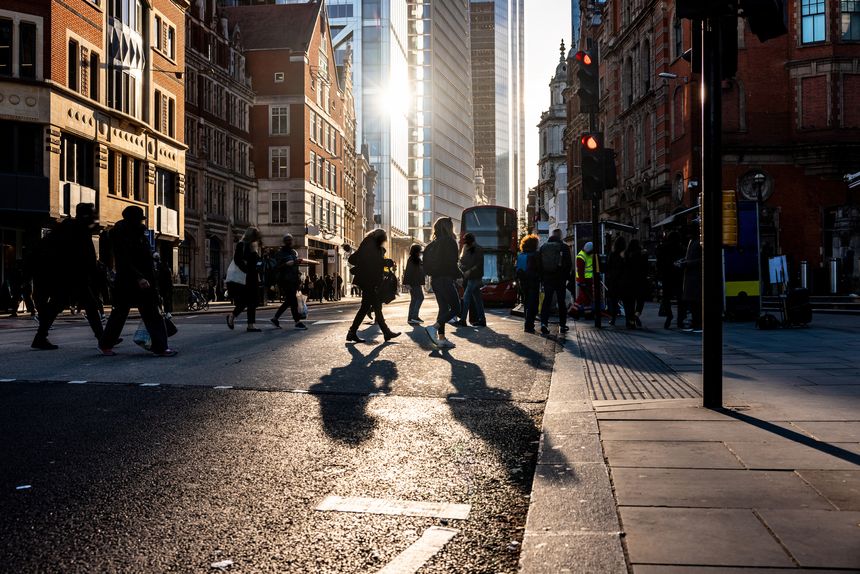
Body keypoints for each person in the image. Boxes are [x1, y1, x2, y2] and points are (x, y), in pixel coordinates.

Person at [99, 206, 175, 356]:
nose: (141, 222)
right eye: (138, 219)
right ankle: (106, 344)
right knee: (123, 314)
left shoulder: (139, 232)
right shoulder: (120, 235)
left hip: (143, 279)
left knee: (150, 313)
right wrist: (139, 277)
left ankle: (160, 346)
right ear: (131, 220)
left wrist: (152, 258)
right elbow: (123, 260)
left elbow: (144, 254)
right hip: (130, 280)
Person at [31, 203, 107, 350]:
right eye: (91, 215)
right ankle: (102, 338)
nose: (94, 218)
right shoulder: (78, 229)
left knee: (63, 306)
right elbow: (85, 256)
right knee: (84, 305)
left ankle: (40, 337)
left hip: (67, 276)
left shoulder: (70, 227)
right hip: (71, 276)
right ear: (85, 215)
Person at [346, 229, 400, 343]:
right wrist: (385, 262)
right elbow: (373, 263)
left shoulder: (368, 244)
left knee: (370, 307)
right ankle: (385, 332)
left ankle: (384, 332)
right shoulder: (370, 244)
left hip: (369, 281)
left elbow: (360, 259)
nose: (384, 241)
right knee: (372, 307)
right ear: (379, 237)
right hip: (370, 281)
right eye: (384, 238)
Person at [422, 217, 461, 348]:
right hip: (445, 279)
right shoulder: (450, 241)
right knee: (456, 308)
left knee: (443, 308)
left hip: (435, 280)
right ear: (449, 227)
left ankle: (442, 338)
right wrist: (460, 276)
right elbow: (452, 263)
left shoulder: (433, 243)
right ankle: (433, 328)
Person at [226, 227, 263, 332]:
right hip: (244, 277)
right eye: (256, 236)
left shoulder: (254, 246)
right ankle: (232, 316)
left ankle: (251, 325)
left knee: (253, 302)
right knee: (244, 301)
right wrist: (246, 270)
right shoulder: (241, 245)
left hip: (253, 277)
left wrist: (259, 264)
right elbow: (237, 260)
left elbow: (256, 260)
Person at [538, 228, 573, 334]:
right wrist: (566, 278)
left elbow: (539, 264)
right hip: (560, 279)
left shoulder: (543, 247)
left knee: (547, 301)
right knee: (561, 302)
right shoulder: (564, 247)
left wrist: (542, 278)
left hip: (548, 278)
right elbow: (569, 264)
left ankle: (544, 323)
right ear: (560, 236)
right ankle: (562, 325)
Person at [270, 234, 307, 330]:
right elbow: (276, 267)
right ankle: (297, 322)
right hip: (285, 280)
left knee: (289, 301)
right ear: (284, 241)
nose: (289, 242)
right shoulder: (280, 253)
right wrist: (286, 264)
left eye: (290, 240)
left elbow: (295, 267)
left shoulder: (293, 253)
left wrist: (298, 276)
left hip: (294, 280)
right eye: (287, 240)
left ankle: (275, 318)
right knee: (293, 301)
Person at [456, 232, 487, 327]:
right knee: (477, 299)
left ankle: (462, 320)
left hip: (475, 277)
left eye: (466, 241)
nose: (465, 243)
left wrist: (469, 270)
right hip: (471, 277)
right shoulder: (468, 248)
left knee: (466, 298)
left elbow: (479, 263)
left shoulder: (478, 249)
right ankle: (482, 320)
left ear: (470, 241)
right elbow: (464, 260)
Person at [656, 231, 685, 329]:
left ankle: (669, 316)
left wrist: (660, 274)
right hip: (678, 276)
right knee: (680, 299)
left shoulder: (662, 248)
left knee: (666, 298)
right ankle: (680, 320)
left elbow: (659, 263)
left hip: (666, 276)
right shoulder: (681, 248)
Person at [621, 239, 649, 329]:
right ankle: (636, 314)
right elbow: (646, 267)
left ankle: (630, 322)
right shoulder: (641, 254)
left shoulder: (625, 255)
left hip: (627, 281)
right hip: (639, 281)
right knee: (640, 300)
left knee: (630, 302)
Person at [516, 234, 541, 333]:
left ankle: (527, 322)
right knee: (533, 303)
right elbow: (539, 269)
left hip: (523, 283)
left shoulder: (521, 255)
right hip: (533, 282)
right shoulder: (535, 255)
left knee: (526, 302)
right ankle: (529, 325)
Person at [681, 228, 702, 332]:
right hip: (690, 276)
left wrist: (687, 263)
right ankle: (695, 322)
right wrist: (683, 261)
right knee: (693, 302)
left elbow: (702, 259)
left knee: (697, 302)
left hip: (697, 276)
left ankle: (699, 324)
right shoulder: (692, 242)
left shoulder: (699, 242)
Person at [606, 236, 627, 326]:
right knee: (626, 301)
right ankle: (629, 319)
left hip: (614, 280)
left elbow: (608, 266)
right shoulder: (625, 254)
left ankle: (613, 319)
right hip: (623, 280)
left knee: (614, 302)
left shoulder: (612, 253)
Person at [403, 244, 426, 325]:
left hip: (414, 283)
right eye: (419, 250)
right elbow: (408, 271)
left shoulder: (414, 259)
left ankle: (410, 318)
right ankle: (414, 317)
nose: (420, 252)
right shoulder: (414, 259)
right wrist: (406, 283)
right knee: (420, 298)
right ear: (417, 251)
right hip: (414, 283)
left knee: (414, 300)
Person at [572, 241, 596, 318]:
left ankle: (582, 312)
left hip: (588, 279)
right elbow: (580, 271)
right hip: (583, 280)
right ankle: (575, 312)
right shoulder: (581, 256)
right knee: (585, 297)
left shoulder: (588, 254)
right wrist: (582, 282)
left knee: (585, 297)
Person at [153, 252, 174, 317]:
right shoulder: (155, 265)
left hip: (162, 284)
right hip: (158, 284)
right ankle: (162, 311)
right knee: (160, 298)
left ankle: (166, 311)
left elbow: (167, 276)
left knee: (164, 298)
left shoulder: (162, 265)